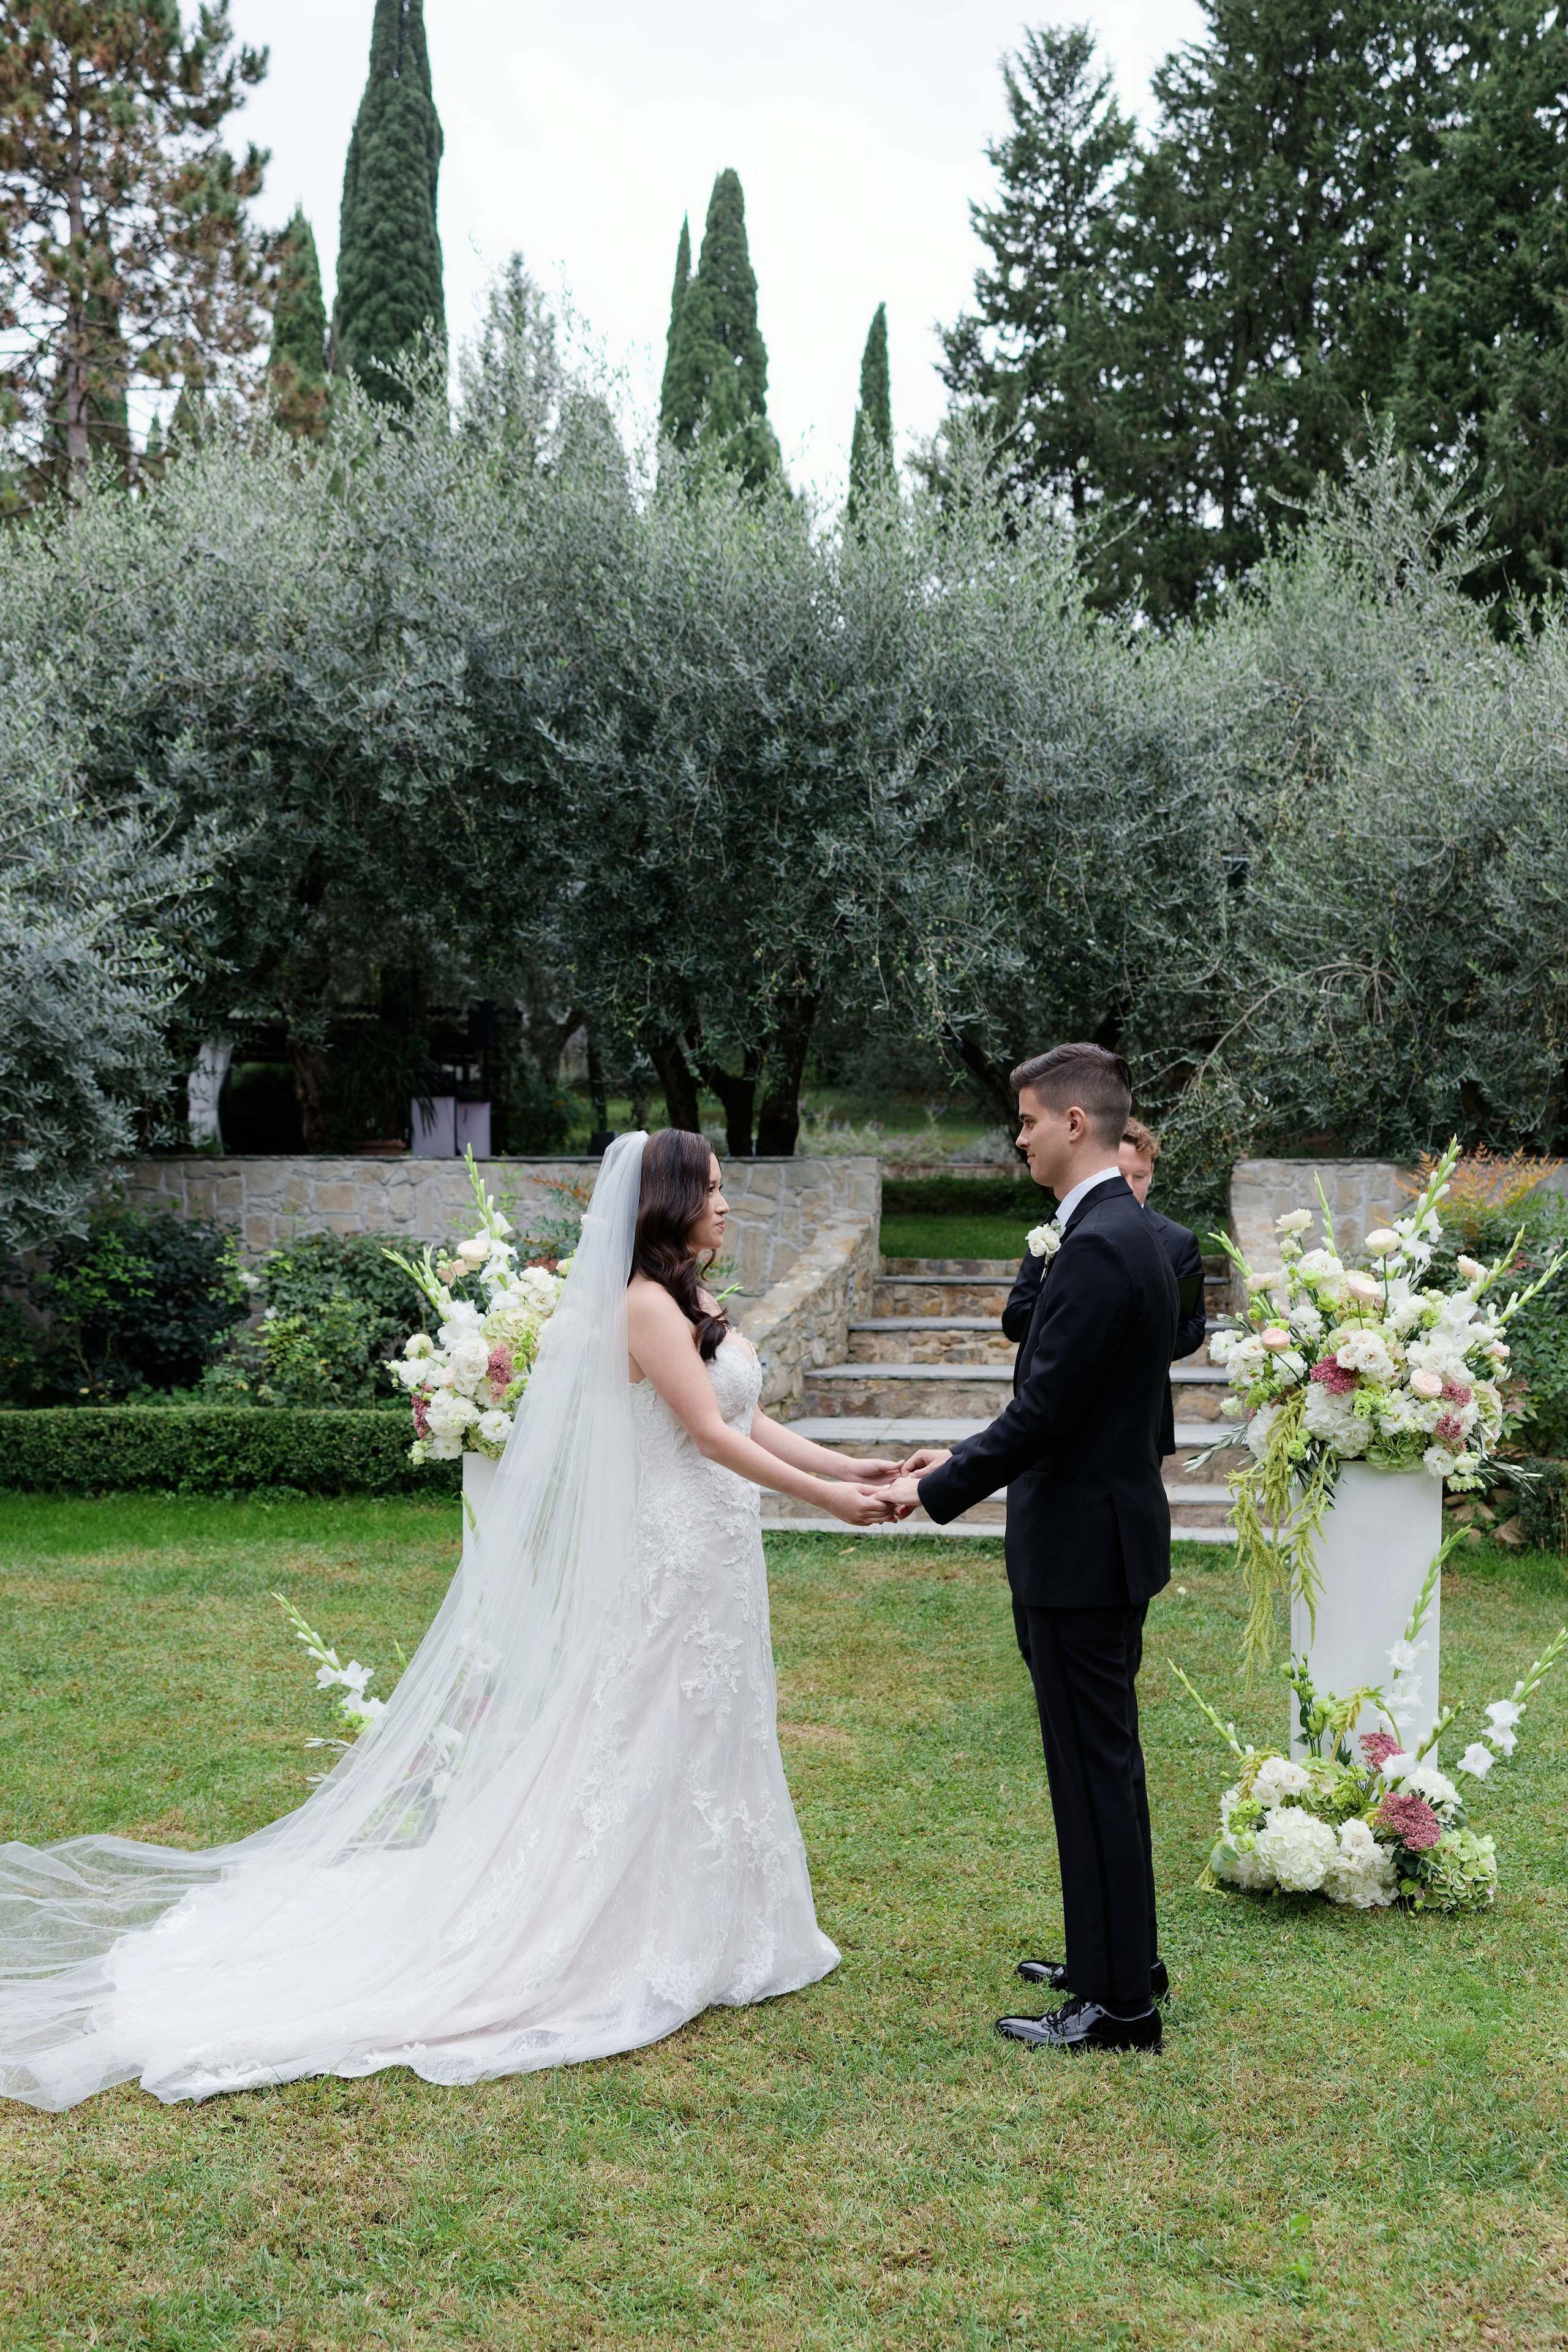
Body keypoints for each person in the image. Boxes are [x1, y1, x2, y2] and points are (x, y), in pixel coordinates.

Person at [0, 1130, 900, 2111]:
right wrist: (828, 1505)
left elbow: (750, 1415)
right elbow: (709, 1435)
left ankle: (725, 1929)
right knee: (644, 1728)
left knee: (714, 1728)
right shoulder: (643, 1306)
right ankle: (615, 1933)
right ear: (668, 1203)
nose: (727, 1204)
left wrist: (853, 1469)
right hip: (675, 1555)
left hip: (721, 1555)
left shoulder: (696, 1302)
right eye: (713, 1190)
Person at [881, 1044, 1178, 2053]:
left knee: (1091, 1770)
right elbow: (1069, 1404)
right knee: (1103, 1768)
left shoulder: (1098, 1243)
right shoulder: (1112, 1229)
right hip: (1099, 1536)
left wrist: (937, 1487)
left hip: (1081, 1550)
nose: (1019, 1137)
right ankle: (1116, 1962)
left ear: (1076, 1125)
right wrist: (961, 1450)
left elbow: (1048, 1408)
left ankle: (1118, 2007)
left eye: (1028, 1120)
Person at [1003, 1115, 1205, 1457]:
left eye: (1139, 1177)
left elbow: (1193, 1327)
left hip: (1141, 1408)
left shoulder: (1179, 1241)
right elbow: (1014, 1318)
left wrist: (1133, 1344)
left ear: (1152, 1174)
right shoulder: (1058, 1229)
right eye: (1121, 1174)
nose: (1128, 1185)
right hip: (1062, 1402)